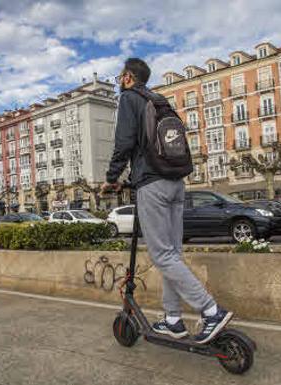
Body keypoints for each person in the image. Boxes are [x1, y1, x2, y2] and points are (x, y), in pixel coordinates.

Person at [101, 58, 233, 344]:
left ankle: (210, 311)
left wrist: (112, 177)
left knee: (162, 255)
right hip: (176, 183)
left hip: (152, 184)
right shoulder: (159, 99)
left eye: (120, 76)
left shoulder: (129, 99)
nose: (119, 80)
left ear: (127, 78)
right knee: (172, 253)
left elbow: (123, 142)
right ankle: (173, 320)